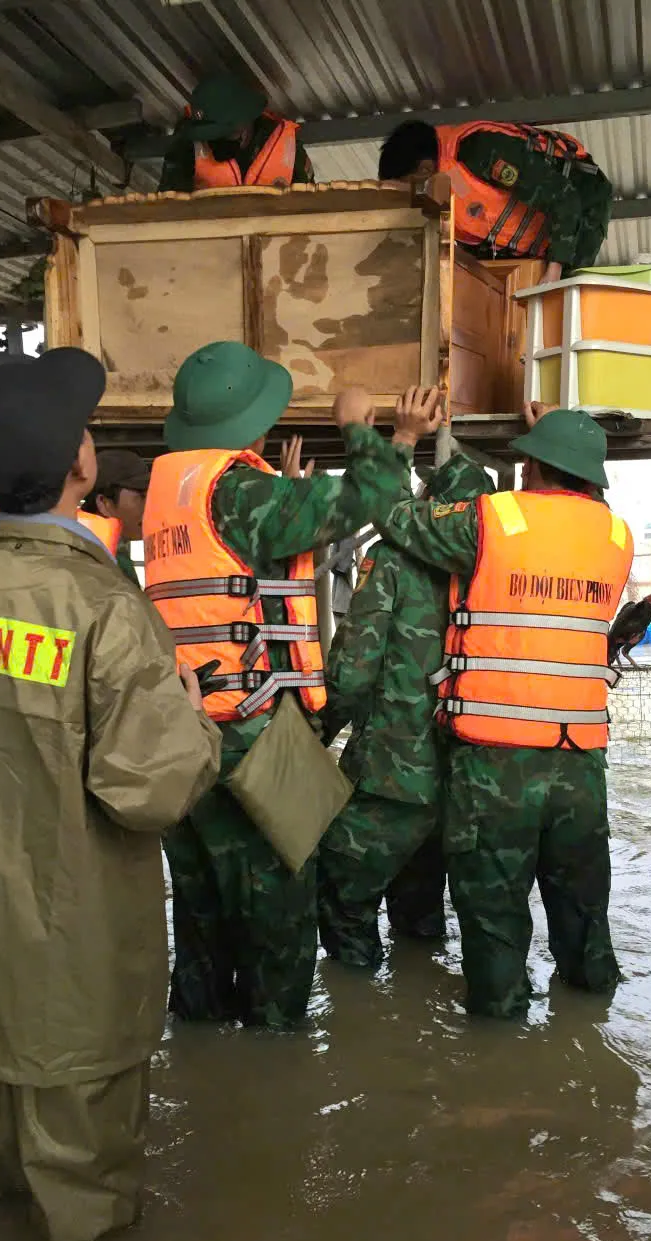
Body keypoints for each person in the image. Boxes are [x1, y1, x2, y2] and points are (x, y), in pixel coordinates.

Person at [0, 349, 222, 1241]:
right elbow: (152, 789)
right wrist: (193, 721)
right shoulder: (103, 611)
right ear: (81, 465)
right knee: (84, 1204)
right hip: (71, 955)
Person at [143, 345, 441, 1028]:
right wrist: (375, 432)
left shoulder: (175, 490)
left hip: (185, 729)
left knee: (201, 905)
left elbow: (234, 571)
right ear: (252, 421)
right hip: (257, 734)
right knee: (283, 902)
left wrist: (280, 492)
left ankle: (201, 1051)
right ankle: (279, 1058)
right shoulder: (244, 494)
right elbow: (377, 497)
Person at [377, 405, 634, 1018]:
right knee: (582, 908)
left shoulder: (489, 520)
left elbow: (391, 514)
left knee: (493, 918)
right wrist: (560, 429)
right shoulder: (616, 536)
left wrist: (405, 439)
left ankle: (499, 1044)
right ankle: (593, 1022)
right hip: (580, 765)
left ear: (532, 466)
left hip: (495, 766)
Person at [318, 451, 496, 966]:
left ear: (429, 505)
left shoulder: (393, 561)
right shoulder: (498, 567)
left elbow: (353, 669)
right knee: (421, 908)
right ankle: (417, 1017)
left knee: (342, 891)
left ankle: (361, 1017)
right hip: (473, 774)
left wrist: (316, 732)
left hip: (395, 771)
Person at [378, 119, 612, 281]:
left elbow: (564, 196)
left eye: (409, 187)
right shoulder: (449, 182)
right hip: (542, 238)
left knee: (564, 293)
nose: (412, 196)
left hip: (583, 202)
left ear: (424, 169)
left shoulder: (482, 151)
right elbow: (477, 238)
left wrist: (555, 268)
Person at [159, 71, 314, 193]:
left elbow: (309, 209)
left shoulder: (288, 147)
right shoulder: (186, 142)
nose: (213, 141)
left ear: (244, 123)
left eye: (221, 134)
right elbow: (168, 204)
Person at [82, 448, 151, 584]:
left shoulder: (84, 547)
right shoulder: (107, 558)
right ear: (104, 503)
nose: (148, 506)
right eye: (141, 496)